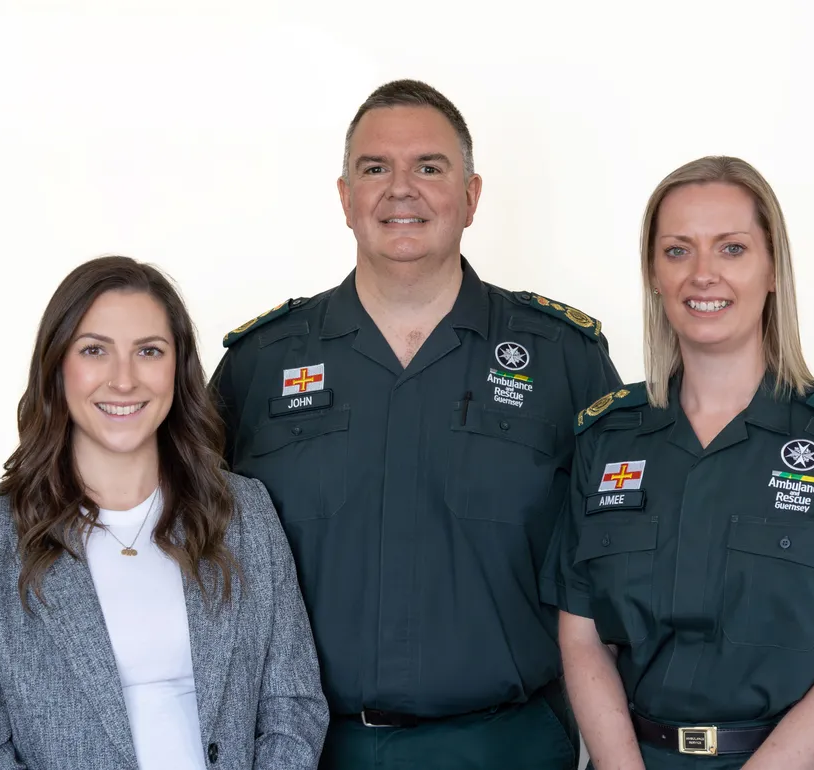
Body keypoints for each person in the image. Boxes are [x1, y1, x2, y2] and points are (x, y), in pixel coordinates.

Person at [209, 79, 622, 769]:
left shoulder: (562, 360)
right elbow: (178, 551)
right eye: (376, 169)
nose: (402, 189)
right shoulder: (260, 366)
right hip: (311, 750)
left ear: (472, 195)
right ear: (345, 198)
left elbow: (621, 567)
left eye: (429, 167)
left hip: (510, 745)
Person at [541, 156, 814, 769]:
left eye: (732, 249)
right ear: (653, 274)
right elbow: (581, 636)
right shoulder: (607, 439)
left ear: (773, 271)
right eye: (678, 251)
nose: (703, 275)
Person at [0, 256, 328, 770]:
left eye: (148, 351)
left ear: (177, 369)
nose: (123, 380)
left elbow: (292, 708)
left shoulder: (244, 513)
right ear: (57, 367)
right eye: (95, 350)